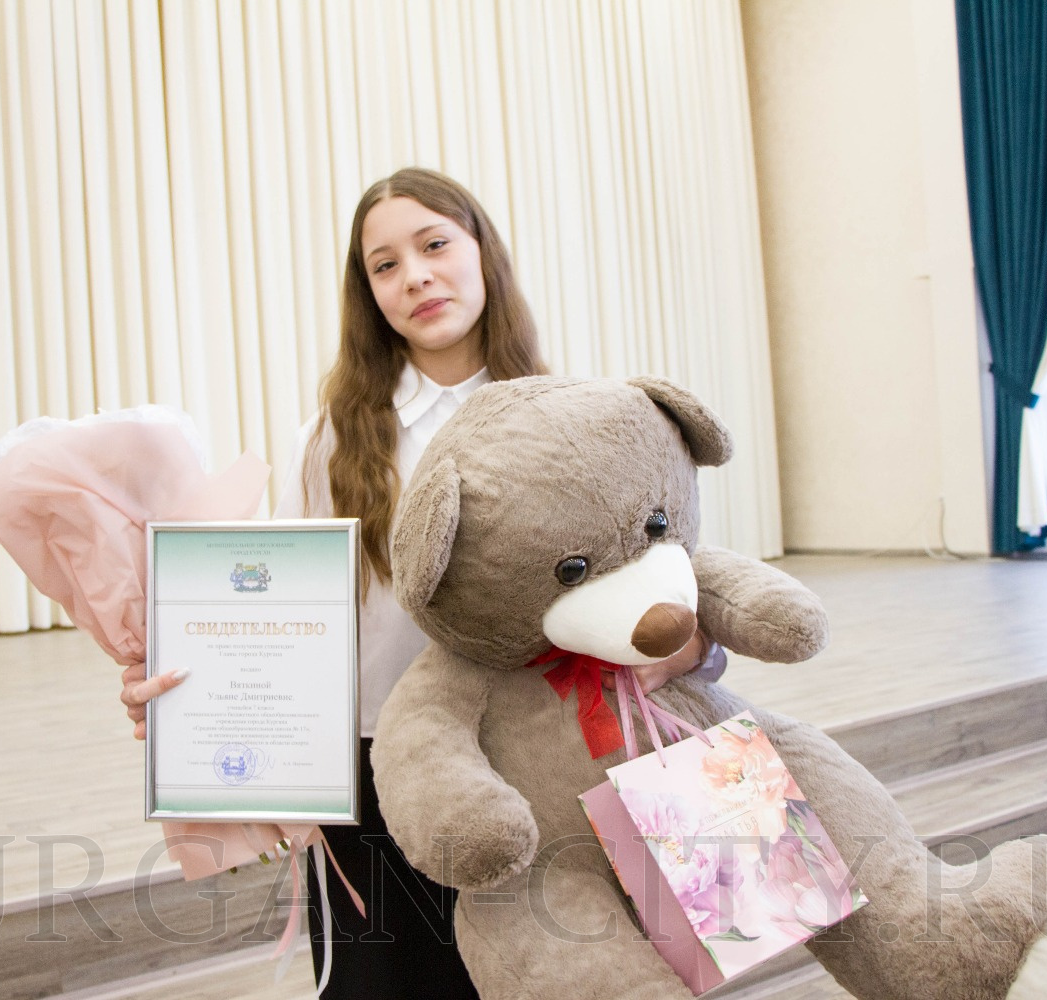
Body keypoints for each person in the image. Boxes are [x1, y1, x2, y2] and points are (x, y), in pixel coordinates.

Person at [120, 167, 719, 998]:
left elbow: (671, 576)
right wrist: (186, 691)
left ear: (482, 253)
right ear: (368, 293)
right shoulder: (331, 441)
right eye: (385, 265)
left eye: (435, 244)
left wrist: (692, 647)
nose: (415, 276)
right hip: (381, 774)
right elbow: (278, 615)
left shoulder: (582, 415)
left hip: (548, 759)